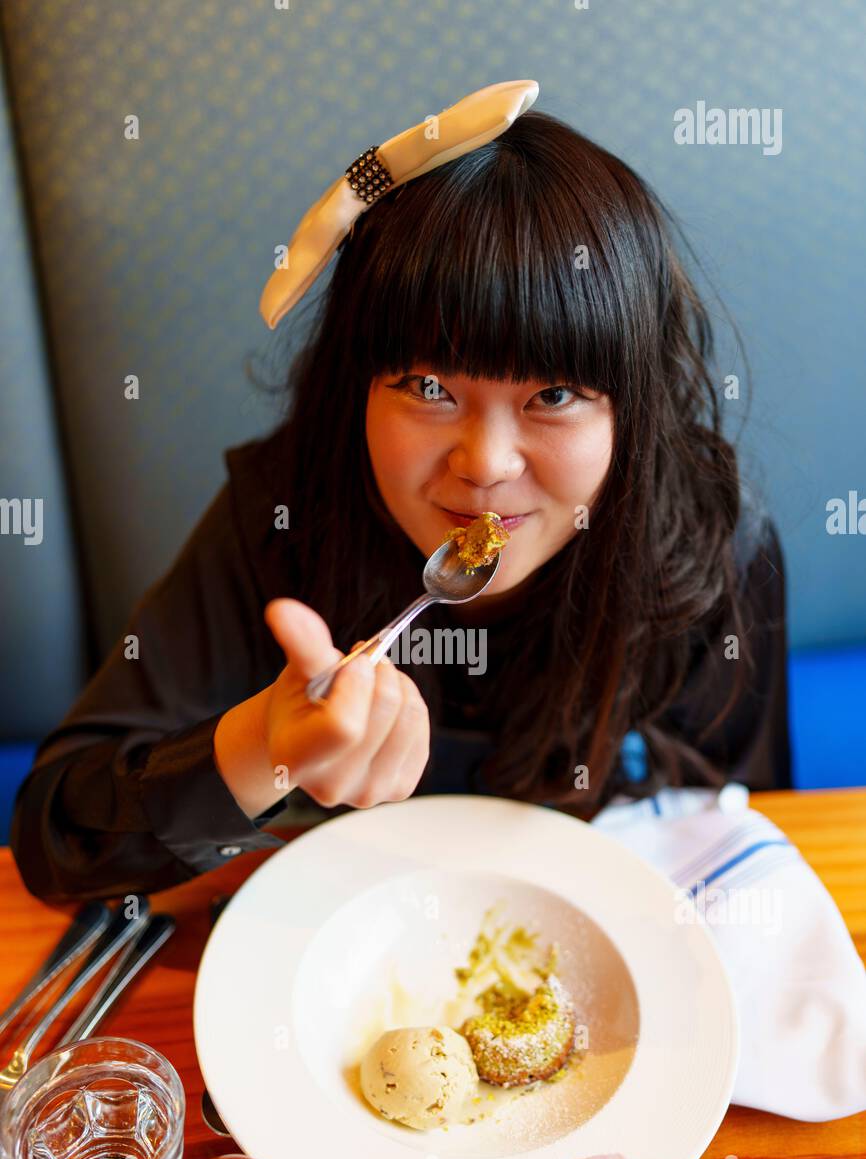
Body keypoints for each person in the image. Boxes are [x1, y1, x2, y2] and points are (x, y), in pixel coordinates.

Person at [10, 84, 791, 908]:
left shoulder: (712, 540)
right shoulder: (282, 514)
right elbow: (54, 840)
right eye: (427, 385)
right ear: (359, 384)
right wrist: (263, 747)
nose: (485, 464)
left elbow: (744, 843)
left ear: (636, 405)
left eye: (554, 395)